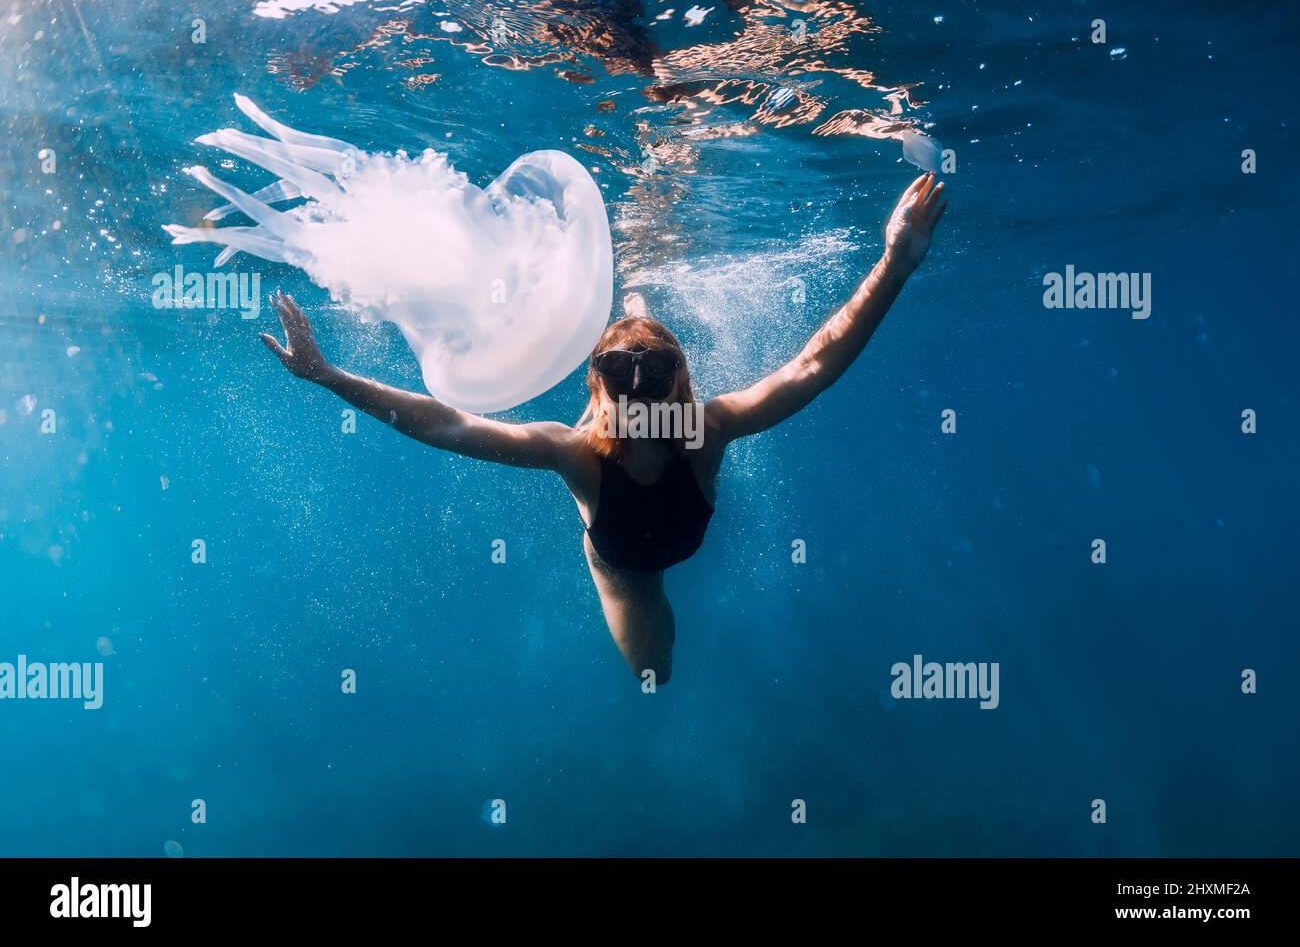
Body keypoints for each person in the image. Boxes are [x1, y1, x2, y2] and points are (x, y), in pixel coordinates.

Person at [261, 173, 947, 684]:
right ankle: (633, 304)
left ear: (678, 376)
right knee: (654, 672)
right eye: (624, 373)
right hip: (624, 568)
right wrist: (328, 376)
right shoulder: (580, 452)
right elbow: (446, 423)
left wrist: (896, 263)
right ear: (602, 385)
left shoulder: (702, 429)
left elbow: (815, 366)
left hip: (637, 507)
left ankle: (634, 305)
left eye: (654, 369)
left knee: (653, 668)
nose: (641, 387)